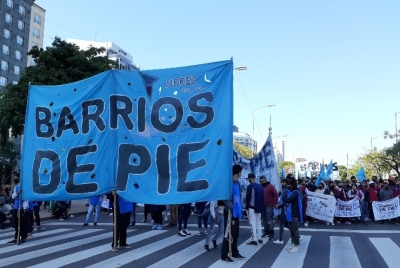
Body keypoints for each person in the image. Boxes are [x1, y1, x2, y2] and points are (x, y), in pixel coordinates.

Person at [220, 164, 245, 263]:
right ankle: (224, 254)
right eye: (239, 173)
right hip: (229, 211)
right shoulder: (227, 183)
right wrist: (231, 207)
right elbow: (224, 197)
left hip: (236, 211)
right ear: (236, 173)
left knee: (236, 233)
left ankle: (234, 251)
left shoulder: (237, 183)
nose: (239, 175)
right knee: (228, 233)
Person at [282, 175, 303, 253]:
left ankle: (296, 245)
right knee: (291, 230)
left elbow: (287, 199)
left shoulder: (296, 192)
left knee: (295, 230)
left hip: (295, 213)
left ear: (292, 184)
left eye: (288, 184)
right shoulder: (291, 191)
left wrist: (285, 200)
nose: (286, 185)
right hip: (291, 213)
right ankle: (293, 244)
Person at [245, 173, 264, 246]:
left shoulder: (250, 186)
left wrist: (246, 207)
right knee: (258, 222)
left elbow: (248, 198)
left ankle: (254, 239)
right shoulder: (260, 186)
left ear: (250, 178)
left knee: (252, 223)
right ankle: (259, 237)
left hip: (252, 207)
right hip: (259, 206)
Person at [8, 177, 28, 243]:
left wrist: (24, 208)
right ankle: (16, 237)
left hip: (22, 208)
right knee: (16, 223)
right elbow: (13, 196)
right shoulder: (16, 186)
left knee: (22, 223)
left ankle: (23, 237)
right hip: (16, 207)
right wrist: (17, 193)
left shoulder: (25, 187)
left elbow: (26, 199)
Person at [262, 175, 278, 240]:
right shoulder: (261, 187)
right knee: (264, 220)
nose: (262, 182)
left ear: (266, 180)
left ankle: (271, 233)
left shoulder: (270, 186)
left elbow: (276, 195)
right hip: (262, 206)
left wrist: (275, 203)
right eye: (261, 181)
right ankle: (266, 231)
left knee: (270, 220)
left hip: (269, 206)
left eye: (263, 181)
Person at [273, 178, 287, 244]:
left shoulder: (286, 191)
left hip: (284, 209)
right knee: (286, 224)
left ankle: (280, 239)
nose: (282, 183)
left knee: (282, 224)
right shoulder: (284, 190)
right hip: (284, 209)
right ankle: (297, 236)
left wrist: (279, 206)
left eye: (283, 182)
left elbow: (286, 201)